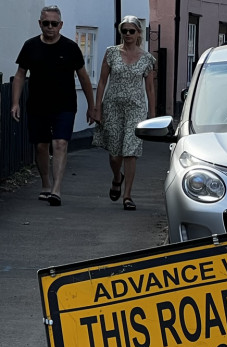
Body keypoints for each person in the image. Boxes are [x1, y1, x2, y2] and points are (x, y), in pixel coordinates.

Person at [11, 5, 96, 207]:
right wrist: (15, 102)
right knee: (41, 146)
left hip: (64, 104)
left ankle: (56, 189)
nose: (50, 27)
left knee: (60, 143)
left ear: (61, 25)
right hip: (37, 104)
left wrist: (91, 106)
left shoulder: (70, 48)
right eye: (46, 23)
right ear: (40, 24)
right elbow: (20, 74)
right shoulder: (30, 46)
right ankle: (45, 184)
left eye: (54, 24)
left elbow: (84, 77)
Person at [92, 15, 156, 211]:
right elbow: (102, 81)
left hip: (136, 109)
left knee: (130, 151)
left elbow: (150, 89)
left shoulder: (147, 59)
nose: (128, 34)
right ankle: (117, 177)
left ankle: (127, 195)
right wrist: (97, 107)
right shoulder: (111, 53)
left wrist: (152, 116)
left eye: (131, 31)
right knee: (114, 155)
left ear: (138, 33)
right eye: (124, 31)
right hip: (112, 107)